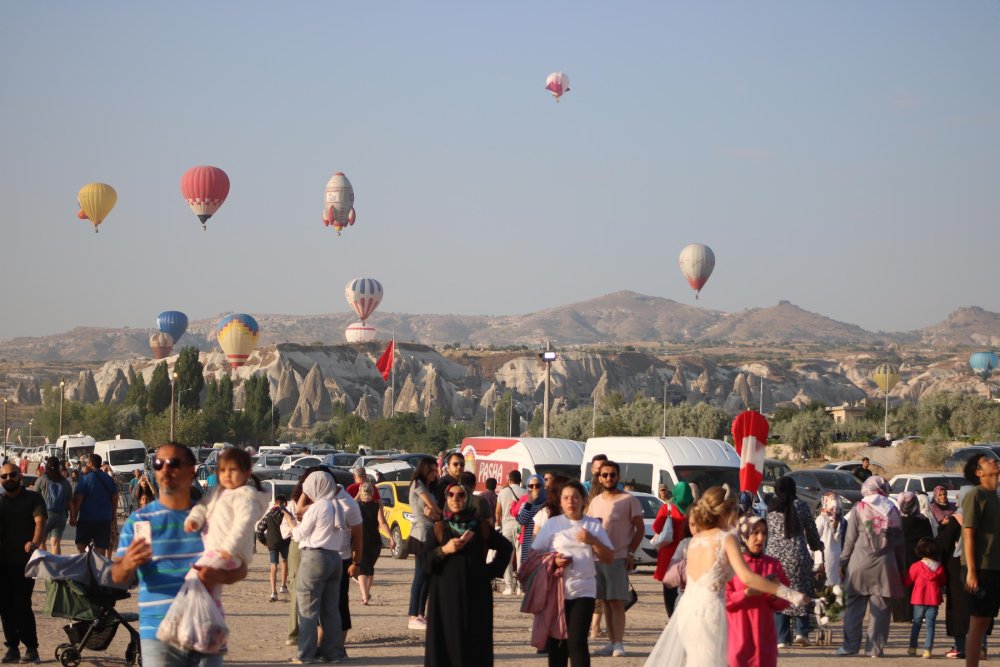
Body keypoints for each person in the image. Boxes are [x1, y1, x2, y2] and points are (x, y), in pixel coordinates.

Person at [111, 442, 248, 666]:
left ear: (192, 471)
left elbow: (241, 568)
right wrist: (127, 564)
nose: (165, 469)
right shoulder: (140, 521)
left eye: (174, 463)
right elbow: (117, 576)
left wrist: (219, 576)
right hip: (158, 633)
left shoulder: (212, 517)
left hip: (207, 629)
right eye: (159, 463)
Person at [644, 486, 809, 666]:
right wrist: (790, 594)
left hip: (688, 611)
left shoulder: (696, 540)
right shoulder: (726, 538)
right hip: (710, 612)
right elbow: (747, 577)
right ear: (728, 511)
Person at [420, 482, 513, 667]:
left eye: (461, 495)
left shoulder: (480, 527)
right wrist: (445, 549)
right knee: (446, 640)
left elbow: (506, 547)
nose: (456, 499)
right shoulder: (439, 529)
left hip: (476, 594)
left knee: (475, 642)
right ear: (446, 499)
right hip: (445, 596)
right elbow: (425, 563)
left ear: (468, 498)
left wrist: (489, 572)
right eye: (451, 495)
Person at [529, 480, 613, 667]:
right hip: (555, 592)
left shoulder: (592, 525)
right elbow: (534, 555)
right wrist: (553, 561)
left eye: (575, 497)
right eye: (566, 498)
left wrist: (593, 541)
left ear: (584, 500)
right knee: (557, 644)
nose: (570, 502)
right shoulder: (553, 524)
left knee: (577, 643)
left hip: (584, 590)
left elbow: (608, 557)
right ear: (560, 502)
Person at [287, 471, 359, 664]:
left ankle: (306, 653)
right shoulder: (338, 505)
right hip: (335, 558)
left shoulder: (318, 506)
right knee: (331, 610)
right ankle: (333, 652)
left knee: (308, 609)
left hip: (314, 557)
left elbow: (299, 534)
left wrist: (289, 523)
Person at [184, 448, 268, 611]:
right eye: (222, 470)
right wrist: (193, 520)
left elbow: (243, 525)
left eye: (233, 470)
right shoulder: (219, 492)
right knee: (209, 590)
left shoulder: (245, 496)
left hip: (230, 552)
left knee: (195, 578)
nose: (227, 475)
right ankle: (212, 620)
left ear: (247, 473)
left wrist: (229, 547)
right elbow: (202, 507)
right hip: (215, 549)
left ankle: (190, 616)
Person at [836, 475, 904, 658]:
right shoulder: (893, 511)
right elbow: (899, 544)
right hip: (885, 567)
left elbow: (850, 540)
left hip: (859, 564)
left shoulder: (859, 508)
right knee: (881, 610)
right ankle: (874, 649)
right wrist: (902, 567)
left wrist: (842, 562)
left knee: (854, 609)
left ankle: (850, 646)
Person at [586, 460, 644, 658]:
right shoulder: (594, 502)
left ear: (618, 477)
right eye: (604, 475)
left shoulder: (629, 500)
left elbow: (640, 529)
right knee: (605, 601)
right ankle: (611, 642)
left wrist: (630, 553)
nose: (608, 478)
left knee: (617, 601)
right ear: (599, 478)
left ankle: (619, 643)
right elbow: (589, 528)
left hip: (618, 558)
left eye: (612, 475)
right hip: (596, 558)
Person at [764, 476, 823, 647]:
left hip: (774, 557)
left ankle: (782, 637)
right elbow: (811, 531)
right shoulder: (802, 506)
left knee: (779, 592)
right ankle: (801, 632)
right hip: (797, 555)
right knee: (801, 589)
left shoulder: (771, 508)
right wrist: (818, 545)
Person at [725, 514, 790, 667]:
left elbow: (785, 601)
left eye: (764, 533)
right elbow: (723, 598)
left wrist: (774, 594)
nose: (760, 538)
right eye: (755, 533)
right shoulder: (732, 564)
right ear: (744, 535)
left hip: (765, 640)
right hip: (738, 638)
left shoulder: (773, 564)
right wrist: (746, 593)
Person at [0, 463, 46, 664]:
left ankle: (31, 648)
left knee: (21, 605)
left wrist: (34, 543)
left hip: (25, 564)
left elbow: (40, 523)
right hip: (2, 563)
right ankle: (12, 647)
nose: (8, 479)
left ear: (20, 476)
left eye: (12, 475)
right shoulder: (0, 502)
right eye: (4, 476)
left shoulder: (33, 498)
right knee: (4, 606)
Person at [960, 452, 1000, 667]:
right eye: (986, 460)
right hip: (980, 568)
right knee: (978, 622)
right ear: (979, 472)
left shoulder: (995, 496)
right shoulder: (976, 494)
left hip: (995, 567)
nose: (993, 460)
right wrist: (972, 572)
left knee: (985, 621)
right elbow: (968, 533)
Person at [407, 457, 441, 630]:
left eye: (436, 471)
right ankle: (413, 615)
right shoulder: (418, 484)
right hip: (420, 533)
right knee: (420, 576)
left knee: (427, 576)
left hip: (430, 532)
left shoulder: (429, 486)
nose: (435, 474)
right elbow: (432, 506)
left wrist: (436, 514)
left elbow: (436, 512)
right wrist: (435, 512)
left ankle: (420, 613)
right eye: (432, 470)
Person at [652, 481, 692, 616]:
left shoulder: (667, 508)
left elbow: (656, 528)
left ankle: (672, 619)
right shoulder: (694, 510)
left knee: (669, 590)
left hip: (668, 556)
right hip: (688, 555)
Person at [893, 491, 934, 623]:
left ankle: (900, 615)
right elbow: (929, 539)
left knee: (899, 584)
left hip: (898, 555)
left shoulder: (896, 520)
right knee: (915, 585)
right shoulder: (922, 520)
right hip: (917, 557)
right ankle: (914, 614)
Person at [70, 453, 119, 556]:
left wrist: (74, 516)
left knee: (81, 546)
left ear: (91, 463)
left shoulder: (84, 479)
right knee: (101, 549)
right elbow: (115, 498)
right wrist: (113, 514)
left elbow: (79, 499)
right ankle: (98, 570)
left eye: (87, 463)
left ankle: (85, 567)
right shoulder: (109, 479)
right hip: (104, 519)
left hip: (87, 518)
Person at [907, 537, 946, 658]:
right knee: (930, 625)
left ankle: (913, 647)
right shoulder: (939, 567)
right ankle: (927, 650)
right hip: (933, 599)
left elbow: (908, 580)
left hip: (918, 598)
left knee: (916, 623)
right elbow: (943, 582)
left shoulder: (916, 566)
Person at [354, 481, 393, 605]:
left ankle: (365, 596)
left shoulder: (356, 505)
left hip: (360, 539)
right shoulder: (377, 505)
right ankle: (365, 594)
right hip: (375, 541)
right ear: (372, 492)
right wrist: (391, 537)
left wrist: (358, 493)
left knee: (362, 569)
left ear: (361, 492)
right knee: (369, 568)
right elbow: (382, 522)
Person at [34, 456, 72, 554]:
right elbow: (70, 501)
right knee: (55, 543)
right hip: (61, 515)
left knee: (41, 540)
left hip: (45, 515)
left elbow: (34, 498)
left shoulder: (41, 480)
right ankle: (56, 566)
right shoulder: (65, 482)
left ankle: (46, 562)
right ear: (58, 467)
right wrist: (73, 516)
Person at [496, 469, 525, 596]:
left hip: (507, 527)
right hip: (521, 528)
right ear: (520, 480)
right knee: (521, 557)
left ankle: (509, 587)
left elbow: (498, 511)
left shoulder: (503, 492)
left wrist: (498, 524)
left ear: (509, 479)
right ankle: (521, 587)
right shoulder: (525, 492)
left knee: (507, 556)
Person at [264, 495, 293, 602]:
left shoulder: (269, 515)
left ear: (275, 503)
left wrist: (265, 542)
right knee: (285, 561)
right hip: (284, 541)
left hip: (272, 543)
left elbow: (260, 529)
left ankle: (273, 592)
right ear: (285, 504)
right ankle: (283, 586)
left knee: (273, 567)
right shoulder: (285, 514)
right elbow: (293, 522)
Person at [813, 491, 843, 593]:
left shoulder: (821, 519)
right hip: (838, 556)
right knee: (836, 585)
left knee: (825, 586)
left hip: (824, 556)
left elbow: (814, 538)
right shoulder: (842, 519)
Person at [516, 474, 548, 569]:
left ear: (543, 486)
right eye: (531, 486)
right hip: (528, 545)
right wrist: (529, 502)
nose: (534, 488)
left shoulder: (547, 502)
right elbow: (521, 520)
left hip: (543, 547)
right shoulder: (526, 504)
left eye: (538, 486)